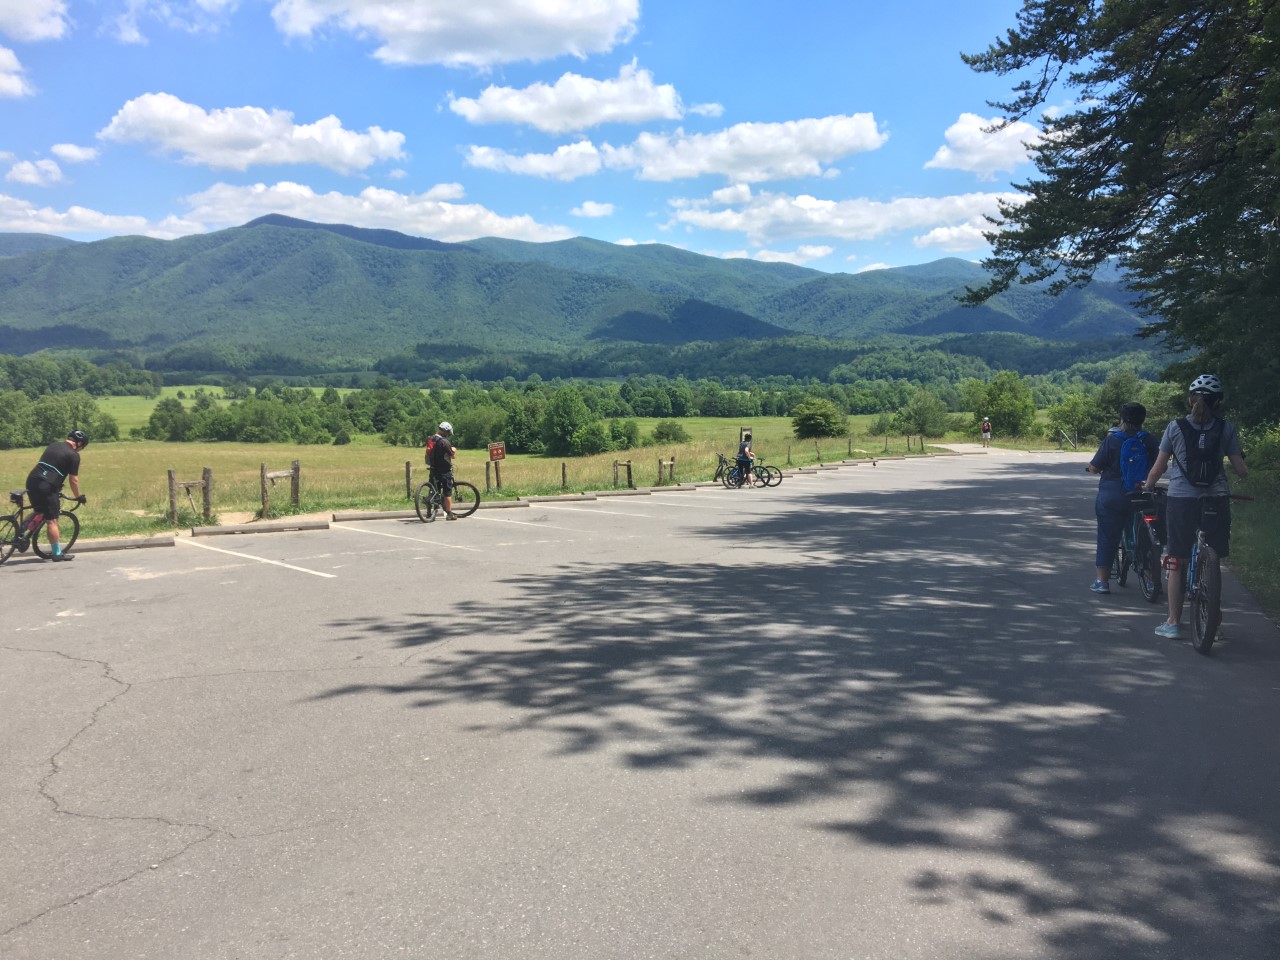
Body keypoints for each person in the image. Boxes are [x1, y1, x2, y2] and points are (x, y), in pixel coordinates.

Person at [1142, 375, 1248, 638]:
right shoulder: (1226, 428)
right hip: (1216, 498)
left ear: (1190, 399)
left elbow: (1159, 467)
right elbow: (1240, 470)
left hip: (1181, 498)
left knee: (1177, 559)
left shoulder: (1175, 427)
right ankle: (1214, 616)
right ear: (1218, 403)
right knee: (1213, 556)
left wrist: (1147, 486)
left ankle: (1173, 623)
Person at [1084, 402, 1158, 593]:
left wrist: (1093, 469)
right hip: (1142, 493)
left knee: (1107, 536)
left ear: (1123, 419)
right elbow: (1162, 466)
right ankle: (1152, 577)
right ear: (1143, 419)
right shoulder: (1148, 440)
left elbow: (1095, 467)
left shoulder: (1112, 439)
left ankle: (1102, 582)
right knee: (1148, 533)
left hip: (1113, 495)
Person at [17, 429, 88, 562]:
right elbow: (73, 480)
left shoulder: (53, 445)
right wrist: (79, 496)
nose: (80, 450)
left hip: (32, 480)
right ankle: (57, 553)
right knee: (52, 520)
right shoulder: (73, 456)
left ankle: (20, 533)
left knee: (38, 511)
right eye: (82, 447)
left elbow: (51, 466)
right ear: (79, 443)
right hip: (47, 486)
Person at [425, 421, 459, 519]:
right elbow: (452, 456)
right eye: (448, 433)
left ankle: (429, 513)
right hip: (444, 470)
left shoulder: (431, 439)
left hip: (433, 468)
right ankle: (449, 514)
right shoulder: (444, 442)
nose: (448, 435)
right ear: (446, 431)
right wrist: (454, 450)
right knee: (447, 492)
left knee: (433, 490)